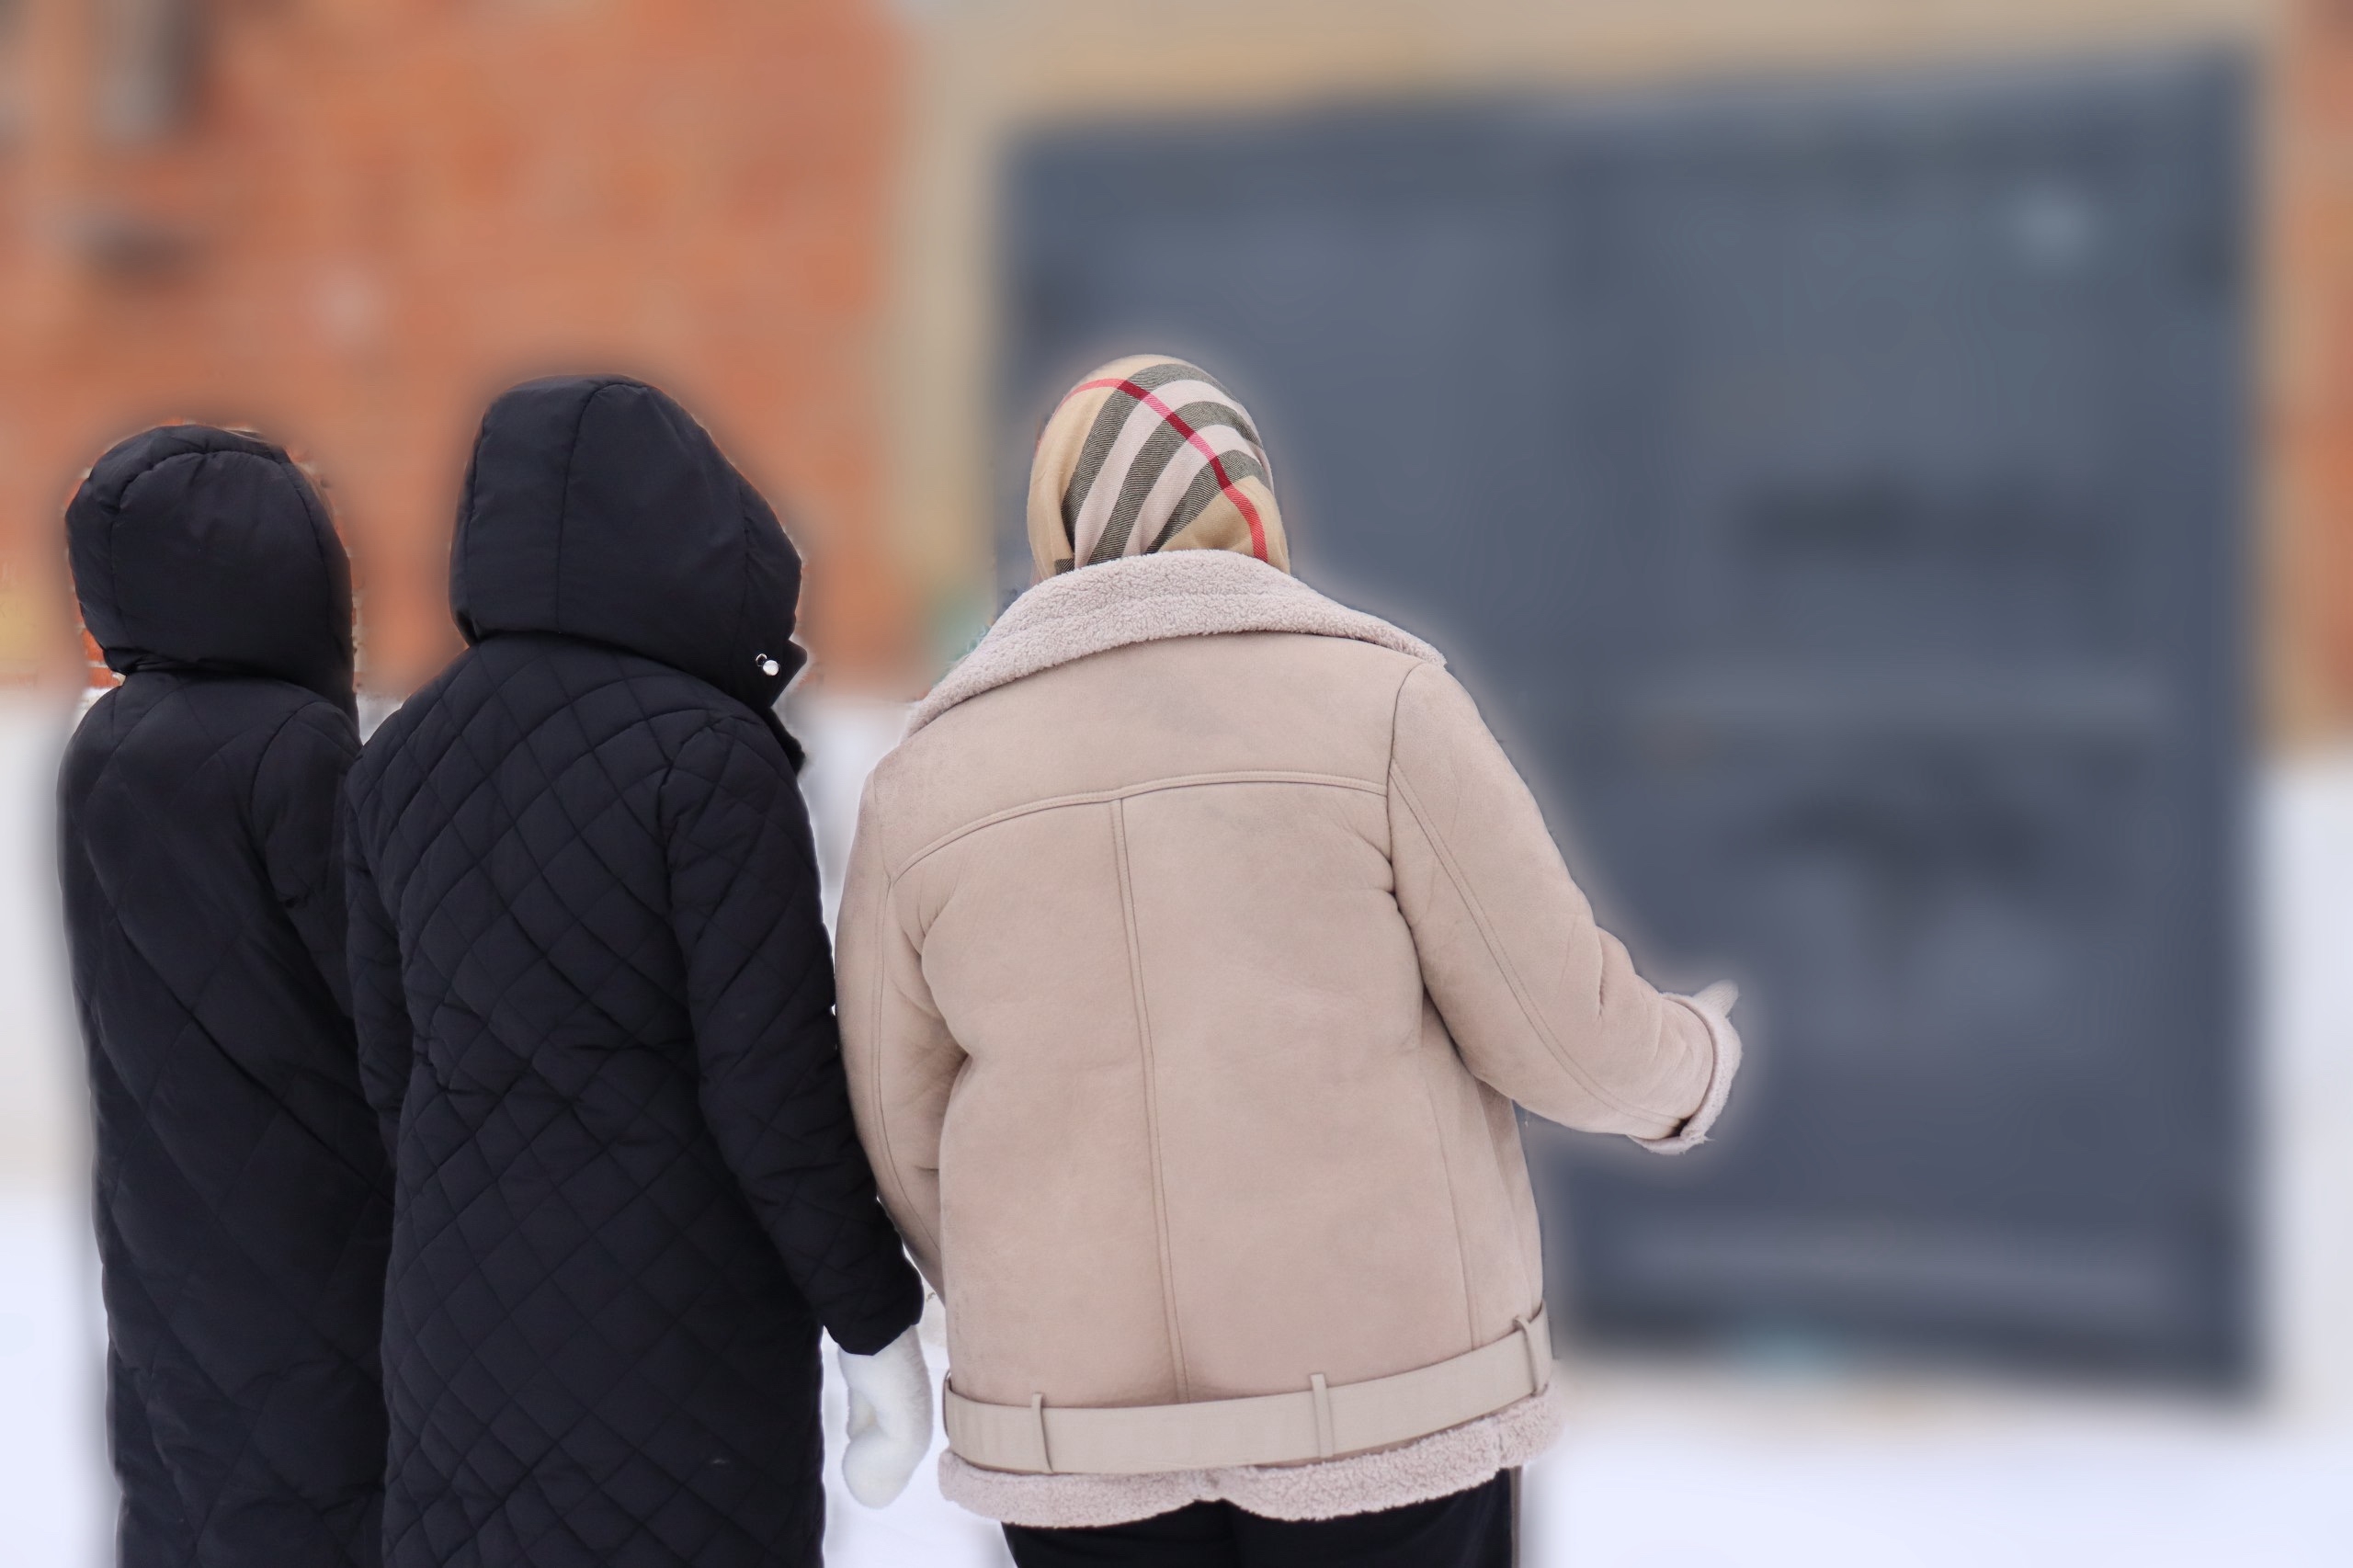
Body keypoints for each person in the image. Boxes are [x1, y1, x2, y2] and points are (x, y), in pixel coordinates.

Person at [837, 355, 1744, 1566]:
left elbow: (899, 1128)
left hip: (1077, 1446)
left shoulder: (925, 781)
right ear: (1251, 503)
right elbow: (1562, 1029)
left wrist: (1040, 1295)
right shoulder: (1384, 706)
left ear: (1057, 520)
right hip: (1385, 1407)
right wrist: (1691, 1064)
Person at [341, 376, 929, 1568]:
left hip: (455, 1339)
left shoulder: (395, 761)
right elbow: (774, 1096)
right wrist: (876, 1324)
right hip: (679, 1343)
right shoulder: (708, 760)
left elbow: (393, 1079)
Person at [59, 425, 392, 1567]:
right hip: (312, 1214)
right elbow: (373, 981)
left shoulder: (105, 741)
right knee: (316, 1490)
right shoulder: (297, 749)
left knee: (191, 1482)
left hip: (163, 1206)